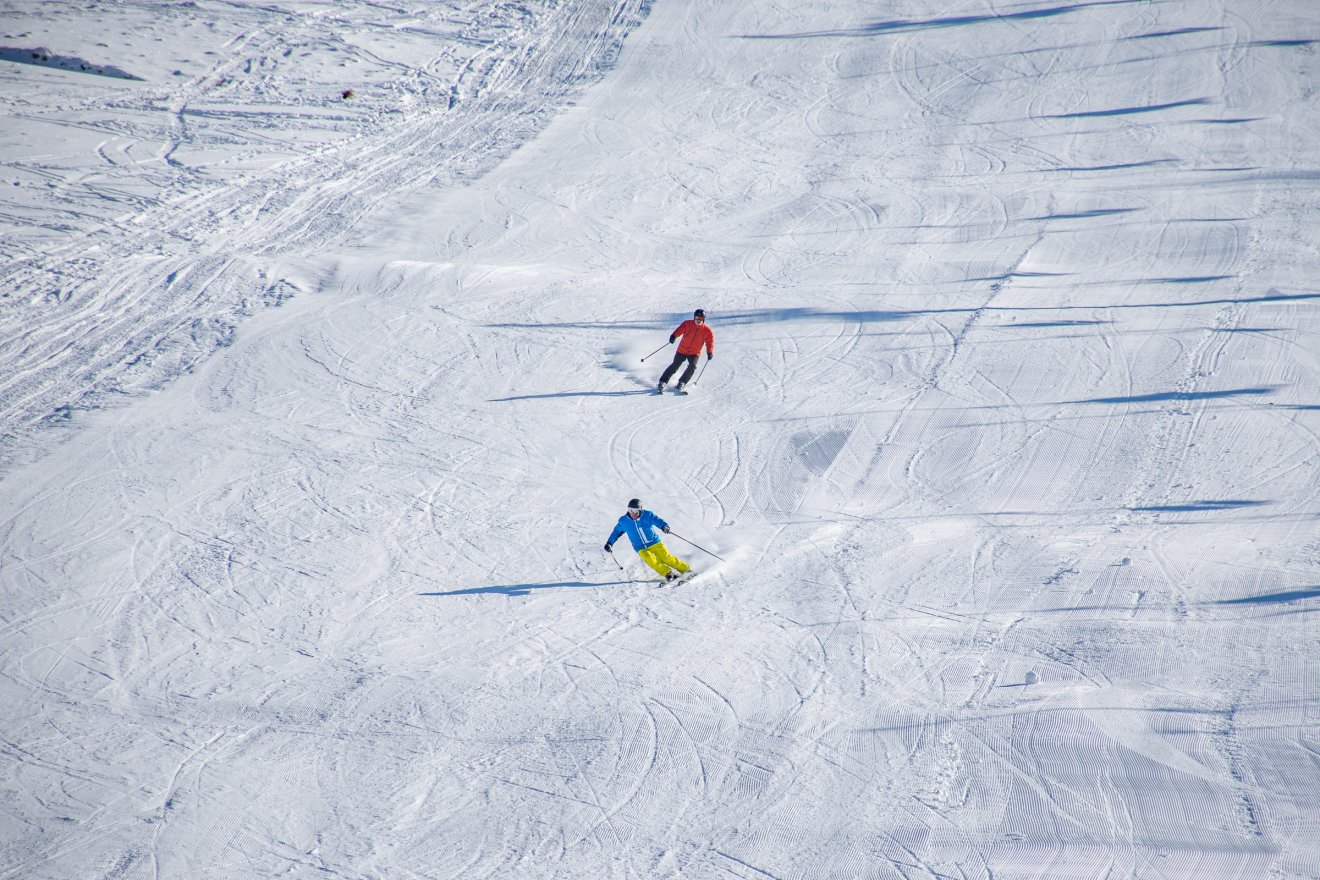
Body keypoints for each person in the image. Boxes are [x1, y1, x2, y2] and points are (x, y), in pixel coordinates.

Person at [604, 498, 692, 580]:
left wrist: (664, 526)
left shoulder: (647, 515)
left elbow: (657, 520)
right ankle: (668, 574)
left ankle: (686, 569)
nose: (633, 513)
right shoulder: (623, 521)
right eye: (630, 510)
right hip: (640, 547)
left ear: (640, 510)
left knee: (666, 558)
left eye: (636, 510)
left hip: (654, 542)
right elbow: (616, 532)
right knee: (652, 562)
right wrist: (609, 543)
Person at [658, 308, 714, 393]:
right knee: (675, 366)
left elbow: (710, 342)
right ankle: (662, 381)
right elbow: (679, 330)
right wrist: (673, 336)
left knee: (692, 367)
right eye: (697, 318)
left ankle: (682, 382)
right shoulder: (687, 324)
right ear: (694, 318)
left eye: (701, 319)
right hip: (682, 350)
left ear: (703, 319)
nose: (698, 320)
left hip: (694, 353)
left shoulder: (707, 330)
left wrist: (710, 352)